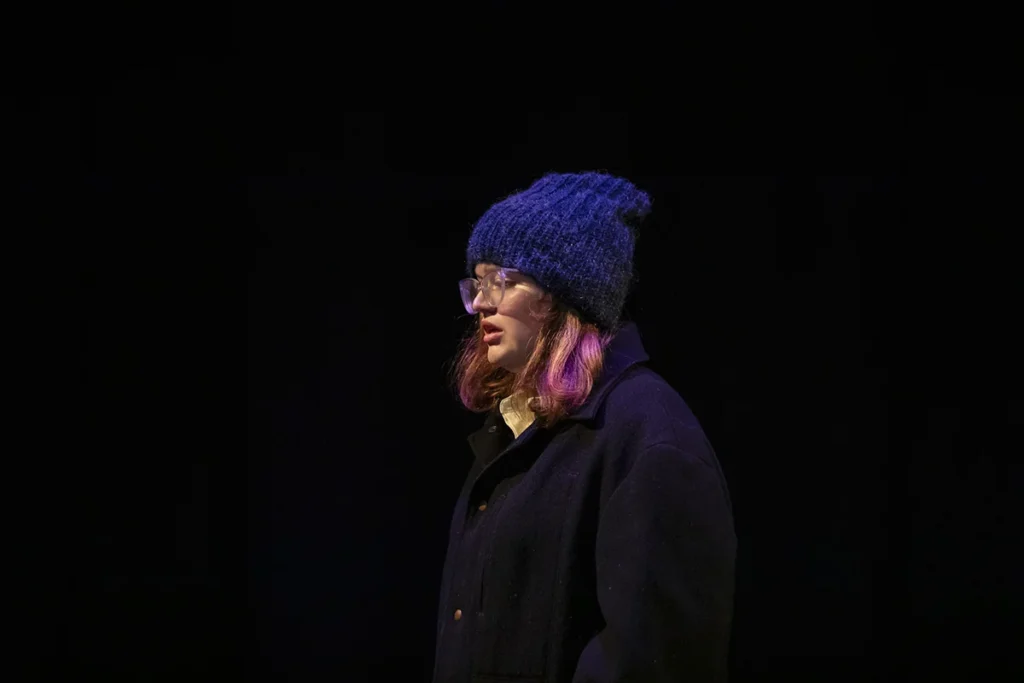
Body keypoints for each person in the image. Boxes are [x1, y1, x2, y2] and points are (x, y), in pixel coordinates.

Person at [435, 171, 737, 683]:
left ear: (563, 292)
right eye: (478, 282)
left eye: (502, 281)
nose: (481, 303)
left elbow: (656, 657)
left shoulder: (648, 434)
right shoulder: (519, 425)